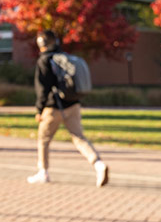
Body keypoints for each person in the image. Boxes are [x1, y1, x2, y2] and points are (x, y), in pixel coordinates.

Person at [27, 30, 109, 187]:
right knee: (79, 138)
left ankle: (43, 172)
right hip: (73, 104)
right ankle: (98, 164)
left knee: (43, 139)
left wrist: (39, 109)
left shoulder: (44, 60)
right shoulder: (65, 58)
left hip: (54, 107)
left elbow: (43, 89)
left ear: (42, 44)